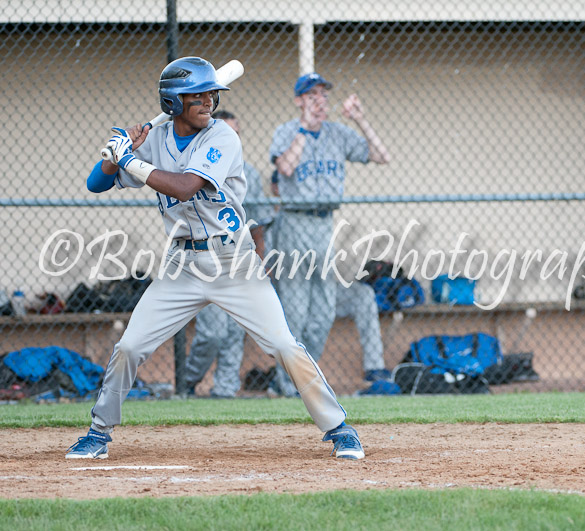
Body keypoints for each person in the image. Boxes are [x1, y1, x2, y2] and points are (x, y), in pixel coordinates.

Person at [66, 57, 364, 460]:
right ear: (172, 102)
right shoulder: (153, 138)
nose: (209, 100)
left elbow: (186, 186)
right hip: (181, 265)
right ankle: (98, 433)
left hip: (234, 261)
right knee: (130, 346)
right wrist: (114, 154)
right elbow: (95, 183)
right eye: (198, 95)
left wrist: (131, 161)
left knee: (283, 344)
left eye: (212, 93)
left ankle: (339, 428)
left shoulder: (223, 137)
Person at [269, 74, 390, 397]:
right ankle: (287, 387)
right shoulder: (286, 131)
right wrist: (304, 130)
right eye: (311, 95)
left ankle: (302, 378)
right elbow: (285, 168)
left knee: (323, 312)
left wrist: (361, 120)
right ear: (299, 101)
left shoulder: (337, 133)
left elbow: (381, 155)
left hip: (324, 225)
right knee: (295, 311)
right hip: (294, 223)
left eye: (323, 95)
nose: (319, 100)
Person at [184, 110, 275, 398]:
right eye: (227, 133)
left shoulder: (248, 172)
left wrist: (261, 259)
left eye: (237, 133)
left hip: (240, 258)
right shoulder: (194, 168)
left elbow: (258, 223)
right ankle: (186, 379)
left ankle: (224, 390)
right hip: (205, 259)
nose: (233, 139)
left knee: (236, 329)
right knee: (213, 332)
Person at [272, 171, 390, 383]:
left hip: (320, 292)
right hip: (286, 294)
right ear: (276, 189)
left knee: (363, 294)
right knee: (297, 314)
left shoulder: (318, 219)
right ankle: (289, 378)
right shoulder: (271, 222)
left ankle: (375, 367)